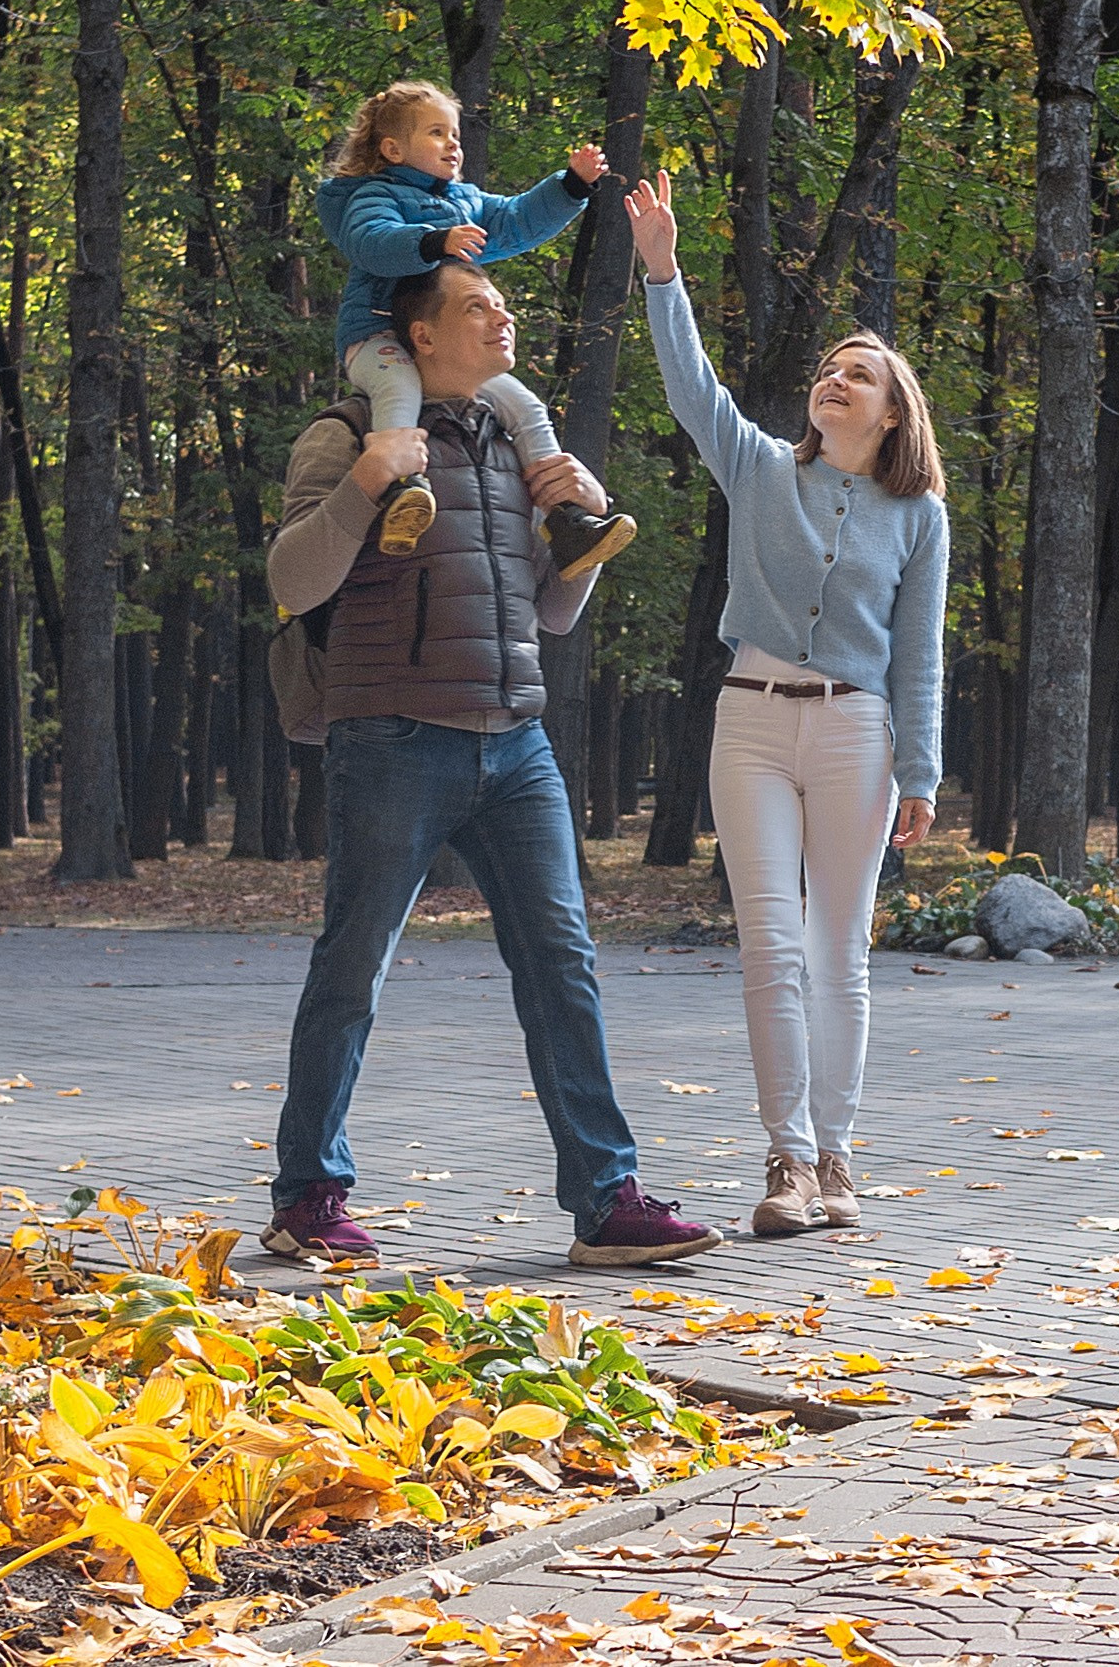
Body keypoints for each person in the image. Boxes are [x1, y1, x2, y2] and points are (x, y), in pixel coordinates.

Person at [262, 251, 722, 1272]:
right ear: (420, 335)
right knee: (353, 967)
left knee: (563, 967)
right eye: (479, 305)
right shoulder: (343, 435)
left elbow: (549, 614)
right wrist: (367, 485)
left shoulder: (513, 442)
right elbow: (292, 578)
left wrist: (580, 538)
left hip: (517, 742)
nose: (503, 315)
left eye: (504, 302)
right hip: (390, 736)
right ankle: (308, 1197)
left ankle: (606, 1202)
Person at [626, 171, 948, 1239]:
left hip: (858, 729)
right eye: (826, 368)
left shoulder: (917, 515)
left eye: (857, 374)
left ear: (892, 408)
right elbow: (691, 391)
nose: (834, 379)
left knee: (836, 949)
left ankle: (841, 1153)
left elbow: (918, 648)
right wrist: (662, 268)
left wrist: (921, 769)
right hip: (752, 720)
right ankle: (788, 1160)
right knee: (767, 942)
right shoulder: (762, 469)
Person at [319, 80, 636, 576]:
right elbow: (369, 242)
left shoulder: (463, 202)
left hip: (445, 350)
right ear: (393, 149)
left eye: (456, 134)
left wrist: (570, 185)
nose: (453, 144)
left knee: (525, 405)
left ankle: (567, 520)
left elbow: (514, 220)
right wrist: (435, 241)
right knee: (398, 386)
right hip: (379, 337)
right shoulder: (372, 195)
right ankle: (400, 493)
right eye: (437, 133)